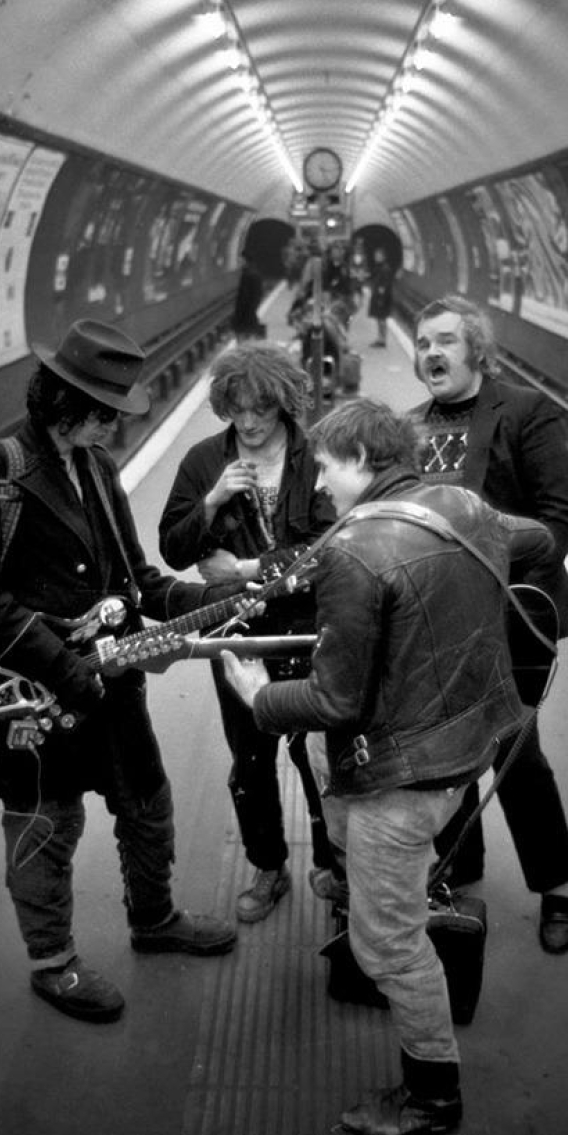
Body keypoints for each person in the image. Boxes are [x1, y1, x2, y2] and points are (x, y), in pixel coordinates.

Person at [221, 398, 554, 1135]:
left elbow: (335, 700)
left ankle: (432, 1094)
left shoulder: (352, 548)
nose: (318, 487)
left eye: (329, 467)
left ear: (365, 463)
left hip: (398, 780)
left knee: (387, 945)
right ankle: (358, 873)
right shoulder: (464, 505)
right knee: (323, 772)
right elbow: (534, 542)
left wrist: (257, 694)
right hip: (465, 748)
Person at [0, 319, 241, 1025]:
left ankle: (154, 916)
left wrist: (204, 600)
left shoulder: (97, 468)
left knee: (147, 801)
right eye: (105, 411)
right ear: (63, 401)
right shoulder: (0, 470)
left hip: (110, 680)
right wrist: (68, 671)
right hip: (36, 692)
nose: (113, 425)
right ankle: (53, 962)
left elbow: (132, 577)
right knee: (46, 823)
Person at [409, 293, 568, 954]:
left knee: (516, 756)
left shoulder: (524, 412)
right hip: (435, 624)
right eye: (424, 341)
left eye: (445, 340)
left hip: (512, 615)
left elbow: (558, 521)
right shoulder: (408, 427)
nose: (431, 352)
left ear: (475, 349)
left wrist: (482, 551)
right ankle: (462, 858)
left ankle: (557, 886)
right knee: (446, 749)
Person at [158, 342, 338, 923]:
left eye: (262, 408)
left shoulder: (316, 459)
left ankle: (335, 865)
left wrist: (245, 569)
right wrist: (211, 502)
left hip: (310, 631)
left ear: (284, 403)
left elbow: (330, 549)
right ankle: (268, 866)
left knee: (320, 754)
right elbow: (173, 548)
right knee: (250, 760)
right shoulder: (205, 462)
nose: (251, 422)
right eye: (238, 410)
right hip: (236, 633)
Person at [232, 248, 265, 340]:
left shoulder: (246, 275)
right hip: (251, 318)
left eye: (240, 259)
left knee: (243, 344)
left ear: (245, 260)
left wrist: (237, 319)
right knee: (249, 343)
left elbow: (243, 299)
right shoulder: (256, 273)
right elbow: (258, 296)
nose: (239, 261)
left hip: (244, 319)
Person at [367, 246, 394, 347]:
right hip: (379, 297)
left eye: (378, 256)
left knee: (382, 319)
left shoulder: (385, 269)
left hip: (382, 298)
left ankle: (382, 340)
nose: (376, 257)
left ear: (383, 257)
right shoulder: (379, 268)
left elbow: (384, 285)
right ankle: (380, 338)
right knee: (379, 319)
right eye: (375, 255)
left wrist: (381, 299)